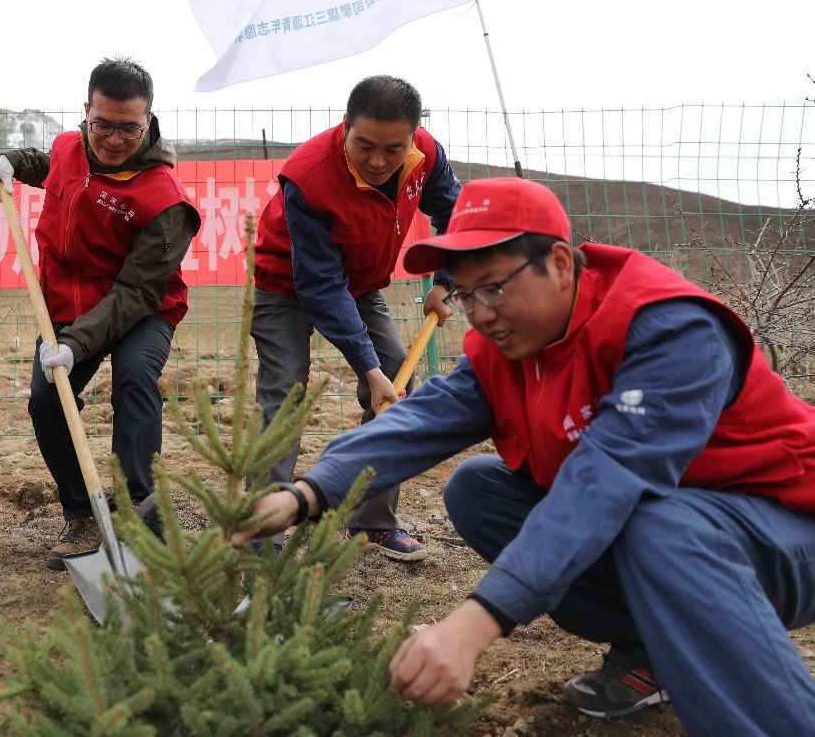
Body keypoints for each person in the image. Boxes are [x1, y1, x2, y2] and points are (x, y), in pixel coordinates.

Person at [233, 176, 815, 735]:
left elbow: (605, 482)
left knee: (662, 526)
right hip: (687, 529)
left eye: (494, 286)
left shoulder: (666, 328)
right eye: (464, 294)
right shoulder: (509, 344)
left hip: (788, 528)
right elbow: (422, 418)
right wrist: (308, 493)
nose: (480, 312)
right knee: (479, 491)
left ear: (561, 264)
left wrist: (475, 622)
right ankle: (650, 653)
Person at [0, 58, 201, 571]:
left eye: (128, 127)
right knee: (47, 398)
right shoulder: (70, 146)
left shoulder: (164, 201)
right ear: (87, 112)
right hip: (65, 301)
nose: (113, 138)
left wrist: (78, 344)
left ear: (148, 120)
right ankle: (82, 512)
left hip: (141, 309)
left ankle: (138, 515)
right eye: (103, 124)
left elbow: (135, 292)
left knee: (134, 378)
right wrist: (15, 161)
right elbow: (50, 162)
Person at [251, 75, 460, 559]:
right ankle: (264, 534)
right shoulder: (311, 176)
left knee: (395, 391)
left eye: (393, 148)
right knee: (284, 394)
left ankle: (371, 520)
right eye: (365, 146)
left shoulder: (424, 156)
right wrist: (368, 370)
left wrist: (446, 281)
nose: (379, 160)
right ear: (345, 126)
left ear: (413, 135)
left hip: (362, 284)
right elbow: (320, 286)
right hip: (286, 284)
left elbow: (457, 214)